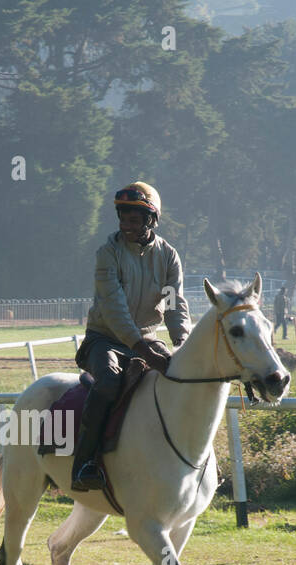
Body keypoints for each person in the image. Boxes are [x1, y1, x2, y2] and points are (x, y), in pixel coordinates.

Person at [71, 181, 190, 493]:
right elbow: (114, 308)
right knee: (109, 382)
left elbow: (173, 304)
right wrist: (140, 347)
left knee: (177, 379)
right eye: (122, 219)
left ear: (151, 220)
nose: (126, 226)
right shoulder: (106, 254)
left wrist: (182, 343)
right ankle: (84, 463)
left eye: (134, 220)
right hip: (104, 339)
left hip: (148, 339)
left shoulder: (169, 256)